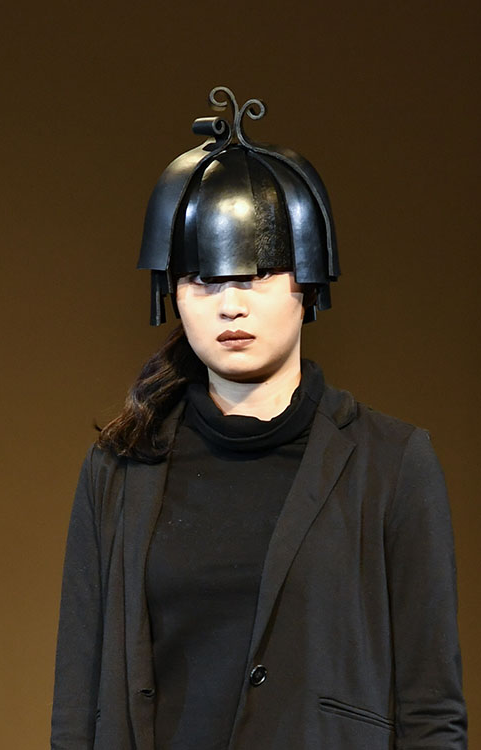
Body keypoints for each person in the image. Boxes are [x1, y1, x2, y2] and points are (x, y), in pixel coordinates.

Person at [51, 86, 467, 749]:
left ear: (308, 283)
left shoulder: (392, 465)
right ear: (171, 292)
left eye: (258, 275)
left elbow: (432, 713)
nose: (230, 305)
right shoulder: (119, 468)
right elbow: (77, 711)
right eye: (203, 280)